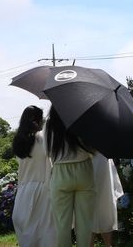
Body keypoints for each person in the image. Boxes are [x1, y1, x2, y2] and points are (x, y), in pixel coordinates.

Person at [46, 106, 95, 247]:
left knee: (62, 224)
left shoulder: (49, 125)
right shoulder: (81, 121)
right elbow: (92, 147)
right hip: (84, 168)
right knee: (85, 223)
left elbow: (47, 152)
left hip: (61, 171)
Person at [11, 105, 56, 247]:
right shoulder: (42, 138)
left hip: (23, 191)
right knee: (45, 234)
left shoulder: (18, 141)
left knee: (27, 236)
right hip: (43, 190)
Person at [90, 152, 124, 247]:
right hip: (101, 160)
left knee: (97, 206)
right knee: (105, 204)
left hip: (94, 160)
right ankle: (107, 244)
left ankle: (106, 244)